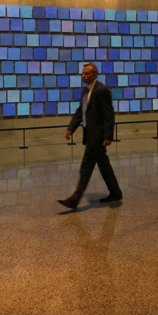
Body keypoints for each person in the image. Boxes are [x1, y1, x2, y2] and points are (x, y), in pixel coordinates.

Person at [59, 63, 122, 209]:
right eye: (82, 73)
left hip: (98, 137)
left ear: (94, 75)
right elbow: (81, 111)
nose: (83, 76)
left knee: (86, 168)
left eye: (86, 73)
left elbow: (108, 114)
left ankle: (74, 199)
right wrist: (71, 128)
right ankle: (116, 192)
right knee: (104, 166)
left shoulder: (102, 90)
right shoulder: (85, 91)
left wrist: (108, 135)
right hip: (90, 136)